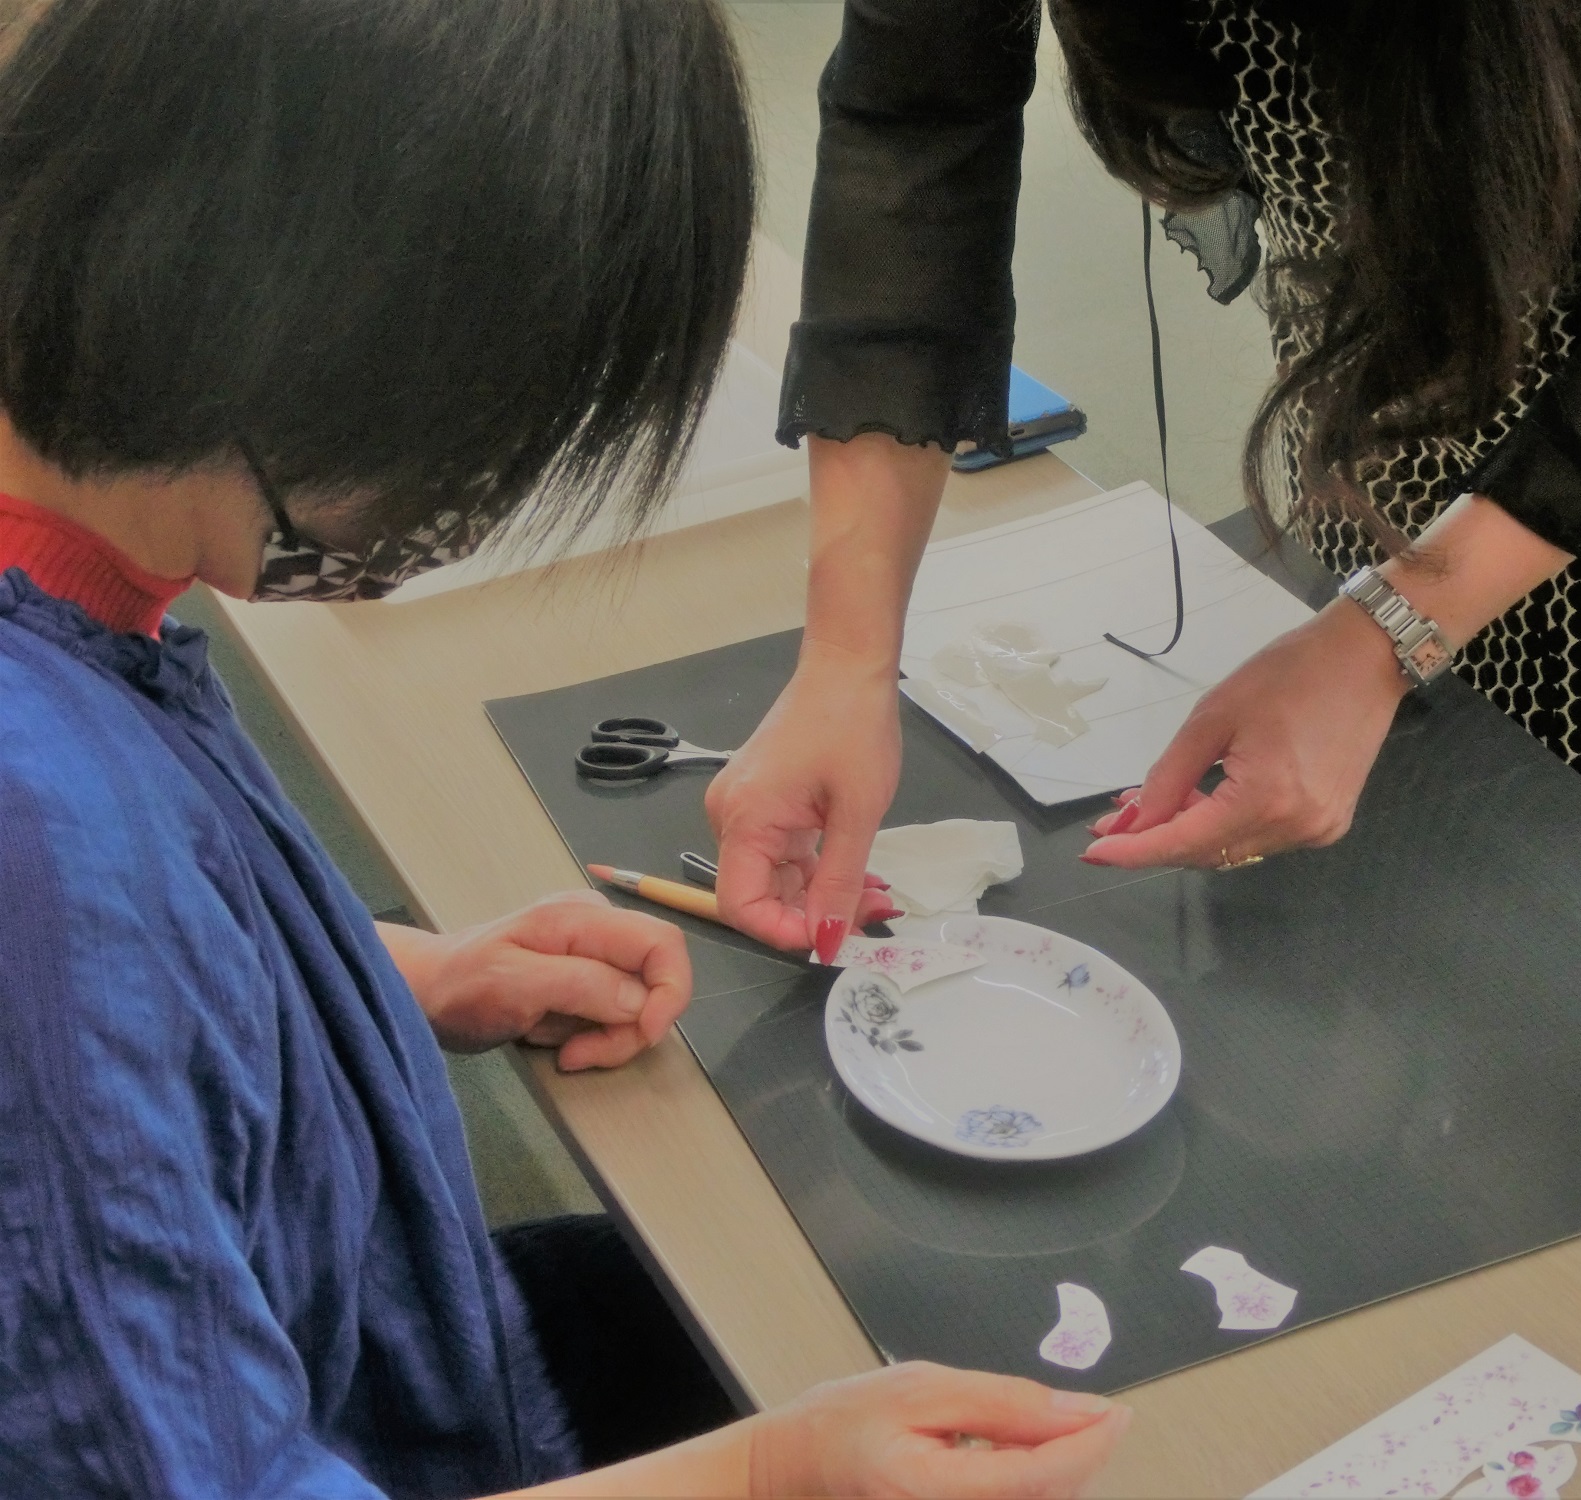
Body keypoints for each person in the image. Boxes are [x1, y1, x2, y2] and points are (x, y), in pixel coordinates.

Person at [0, 1, 1128, 1495]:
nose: (458, 514)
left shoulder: (88, 613)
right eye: (476, 456)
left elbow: (132, 1025)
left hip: (381, 1327)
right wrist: (760, 1483)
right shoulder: (43, 852)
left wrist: (395, 977)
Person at [706, 0, 1581, 953]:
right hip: (1397, 295)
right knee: (1372, 823)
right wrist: (847, 662)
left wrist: (1383, 636)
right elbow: (916, 121)